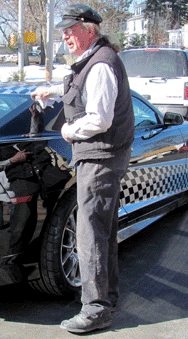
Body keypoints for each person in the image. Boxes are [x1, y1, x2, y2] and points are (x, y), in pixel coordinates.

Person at [31, 4, 135, 334]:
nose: (65, 36)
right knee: (102, 232)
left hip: (101, 158)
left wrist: (67, 132)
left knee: (90, 235)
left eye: (70, 29)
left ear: (89, 29)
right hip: (101, 157)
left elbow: (100, 118)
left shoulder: (101, 65)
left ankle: (95, 309)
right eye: (62, 31)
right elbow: (81, 92)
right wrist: (50, 90)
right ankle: (108, 297)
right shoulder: (92, 61)